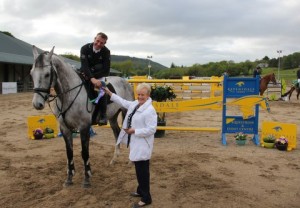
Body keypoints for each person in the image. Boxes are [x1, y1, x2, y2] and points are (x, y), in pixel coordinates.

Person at [104, 83, 157, 207]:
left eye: (142, 95)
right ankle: (140, 190)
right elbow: (122, 102)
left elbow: (151, 129)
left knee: (142, 171)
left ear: (148, 95)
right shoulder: (135, 104)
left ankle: (146, 198)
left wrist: (134, 131)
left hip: (143, 143)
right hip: (136, 142)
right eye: (138, 94)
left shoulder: (150, 110)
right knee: (139, 169)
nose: (140, 97)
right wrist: (110, 93)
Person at [80, 32, 110, 125]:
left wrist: (95, 78)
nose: (98, 44)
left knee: (102, 89)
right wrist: (91, 78)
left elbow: (106, 70)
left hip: (99, 75)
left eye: (102, 43)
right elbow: (84, 66)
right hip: (85, 73)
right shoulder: (84, 48)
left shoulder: (106, 51)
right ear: (94, 39)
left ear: (104, 44)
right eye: (97, 41)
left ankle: (103, 115)